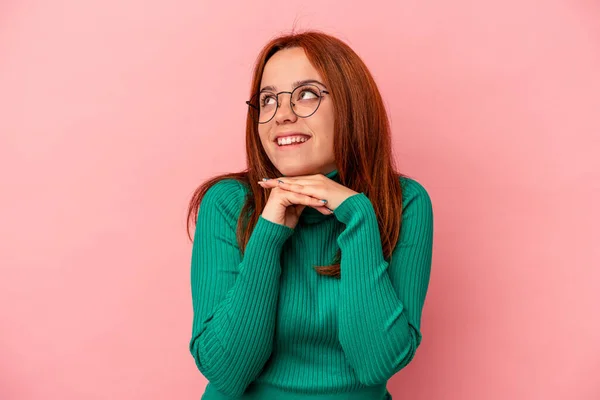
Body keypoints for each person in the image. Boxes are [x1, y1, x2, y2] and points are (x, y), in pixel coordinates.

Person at [186, 29, 434, 400]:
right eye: (267, 100)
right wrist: (268, 235)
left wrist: (358, 218)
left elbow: (376, 363)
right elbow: (225, 371)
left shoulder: (404, 203)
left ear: (351, 106)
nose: (281, 116)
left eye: (306, 95)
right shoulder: (228, 203)